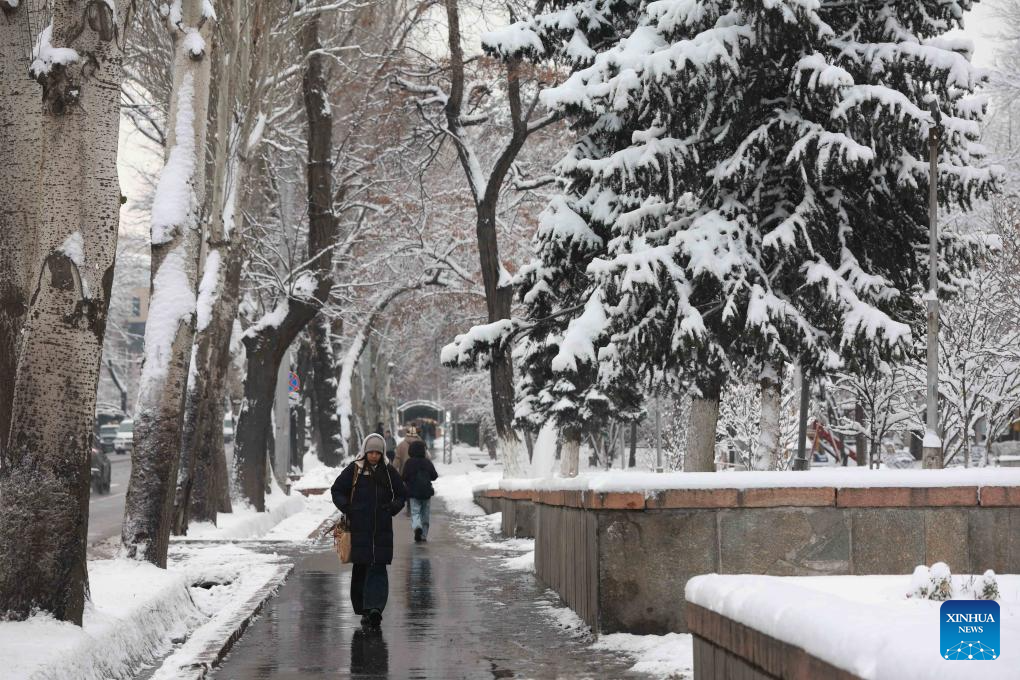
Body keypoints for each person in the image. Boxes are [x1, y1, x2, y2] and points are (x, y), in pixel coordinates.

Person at [331, 433, 407, 628]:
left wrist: (392, 508)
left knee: (378, 567)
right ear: (365, 452)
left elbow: (401, 493)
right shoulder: (354, 469)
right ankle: (363, 608)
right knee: (362, 568)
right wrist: (348, 508)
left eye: (377, 453)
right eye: (371, 452)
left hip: (381, 528)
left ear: (382, 454)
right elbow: (337, 490)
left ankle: (375, 609)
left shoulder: (389, 472)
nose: (374, 456)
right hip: (359, 528)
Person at [401, 440, 438, 542]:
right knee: (425, 514)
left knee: (415, 512)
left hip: (413, 493)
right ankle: (424, 535)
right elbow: (434, 476)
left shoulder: (409, 462)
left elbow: (404, 477)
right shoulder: (427, 462)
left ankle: (417, 527)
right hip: (426, 492)